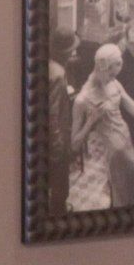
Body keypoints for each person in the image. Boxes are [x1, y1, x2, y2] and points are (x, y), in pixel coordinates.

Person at [70, 43, 134, 211]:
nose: (113, 78)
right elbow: (74, 144)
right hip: (113, 155)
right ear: (101, 68)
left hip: (128, 143)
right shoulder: (82, 100)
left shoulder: (115, 84)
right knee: (121, 197)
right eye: (111, 74)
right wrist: (91, 121)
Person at [47, 29, 80, 214]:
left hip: (51, 140)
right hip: (56, 142)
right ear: (65, 52)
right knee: (60, 186)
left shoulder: (51, 66)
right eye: (72, 50)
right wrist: (58, 146)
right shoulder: (58, 74)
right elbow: (52, 115)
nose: (74, 53)